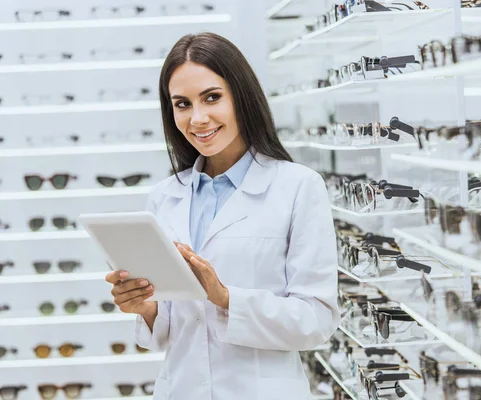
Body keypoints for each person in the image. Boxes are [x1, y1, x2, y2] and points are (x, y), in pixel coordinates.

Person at [104, 32, 340, 400]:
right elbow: (170, 328)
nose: (198, 118)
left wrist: (225, 297)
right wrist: (145, 306)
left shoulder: (298, 187)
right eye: (182, 104)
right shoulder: (164, 197)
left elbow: (317, 321)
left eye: (212, 97)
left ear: (241, 97)